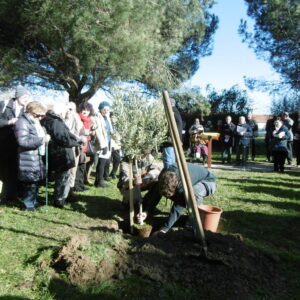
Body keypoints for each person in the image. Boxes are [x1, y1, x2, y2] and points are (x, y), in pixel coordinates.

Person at [137, 163, 217, 234]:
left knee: (193, 193)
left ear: (176, 185)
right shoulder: (163, 176)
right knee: (156, 188)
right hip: (188, 181)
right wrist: (146, 212)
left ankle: (194, 216)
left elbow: (178, 207)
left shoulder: (182, 184)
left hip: (207, 181)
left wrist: (164, 229)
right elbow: (156, 193)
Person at [41, 104, 81, 208]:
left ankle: (60, 198)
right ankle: (60, 200)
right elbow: (63, 139)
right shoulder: (55, 121)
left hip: (55, 152)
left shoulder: (47, 119)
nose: (67, 112)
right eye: (66, 109)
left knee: (61, 177)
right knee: (63, 178)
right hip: (61, 153)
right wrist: (77, 143)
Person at [14, 101, 51, 211]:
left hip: (35, 156)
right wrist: (41, 140)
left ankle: (33, 202)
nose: (40, 118)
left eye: (41, 115)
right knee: (29, 182)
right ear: (31, 112)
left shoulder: (33, 122)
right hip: (27, 157)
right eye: (38, 115)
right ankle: (28, 205)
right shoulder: (22, 122)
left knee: (34, 182)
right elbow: (22, 142)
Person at [0, 86, 30, 202]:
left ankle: (11, 196)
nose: (26, 99)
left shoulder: (25, 109)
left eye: (28, 97)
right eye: (25, 97)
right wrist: (9, 122)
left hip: (16, 145)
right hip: (2, 144)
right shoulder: (4, 104)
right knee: (2, 170)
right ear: (18, 96)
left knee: (14, 170)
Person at [65, 102, 86, 195]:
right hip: (63, 148)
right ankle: (62, 192)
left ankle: (70, 191)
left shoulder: (76, 119)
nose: (69, 111)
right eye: (68, 109)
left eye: (71, 109)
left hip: (74, 147)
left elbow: (81, 131)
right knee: (64, 171)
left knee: (73, 170)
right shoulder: (61, 119)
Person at [94, 101, 113, 188]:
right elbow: (98, 132)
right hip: (103, 144)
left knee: (104, 163)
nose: (106, 111)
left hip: (108, 142)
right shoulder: (97, 117)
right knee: (101, 163)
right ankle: (100, 182)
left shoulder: (107, 118)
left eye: (107, 109)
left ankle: (98, 181)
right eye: (104, 109)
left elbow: (110, 131)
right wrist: (103, 145)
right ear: (101, 109)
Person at [161, 98, 183, 168]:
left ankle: (168, 176)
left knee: (168, 160)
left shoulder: (172, 112)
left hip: (170, 140)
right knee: (172, 160)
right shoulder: (176, 111)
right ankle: (172, 176)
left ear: (170, 104)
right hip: (174, 139)